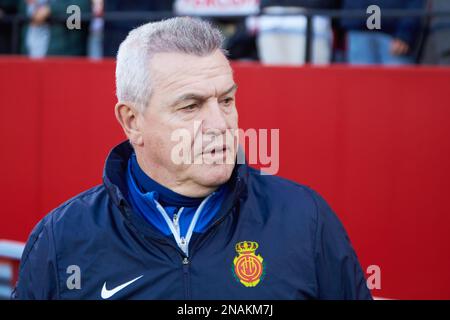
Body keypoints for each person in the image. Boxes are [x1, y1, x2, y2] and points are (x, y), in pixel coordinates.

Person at [13, 17, 372, 300]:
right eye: (191, 106)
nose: (220, 125)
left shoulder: (305, 219)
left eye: (226, 101)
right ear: (132, 121)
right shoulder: (62, 239)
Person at [341, 0, 425, 65]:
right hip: (359, 32)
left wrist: (405, 34)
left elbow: (415, 3)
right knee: (361, 84)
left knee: (398, 84)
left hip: (394, 36)